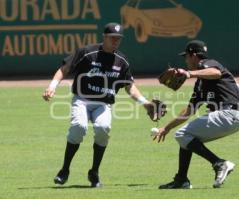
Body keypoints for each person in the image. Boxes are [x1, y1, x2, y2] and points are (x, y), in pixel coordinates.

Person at [42, 22, 156, 188]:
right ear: (104, 37)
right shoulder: (87, 52)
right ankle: (64, 170)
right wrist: (52, 87)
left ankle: (94, 172)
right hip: (82, 99)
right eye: (112, 38)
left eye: (118, 38)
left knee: (103, 129)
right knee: (79, 127)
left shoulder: (122, 60)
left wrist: (145, 102)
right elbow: (64, 69)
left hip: (103, 104)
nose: (115, 41)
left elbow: (129, 85)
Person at [153, 40, 239, 189]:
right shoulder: (200, 83)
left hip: (229, 113)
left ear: (194, 56)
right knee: (186, 137)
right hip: (231, 118)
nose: (186, 60)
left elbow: (216, 73)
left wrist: (189, 73)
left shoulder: (207, 63)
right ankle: (181, 180)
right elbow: (188, 111)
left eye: (186, 57)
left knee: (183, 134)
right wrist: (166, 128)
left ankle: (219, 163)